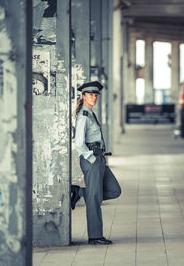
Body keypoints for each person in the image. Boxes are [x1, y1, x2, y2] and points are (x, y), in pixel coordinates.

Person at [72, 80, 121, 245]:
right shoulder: (83, 116)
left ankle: (80, 193)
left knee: (114, 190)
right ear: (84, 96)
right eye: (91, 94)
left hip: (99, 159)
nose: (94, 97)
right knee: (94, 200)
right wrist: (91, 159)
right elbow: (78, 143)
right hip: (91, 160)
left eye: (96, 95)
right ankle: (95, 236)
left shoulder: (90, 113)